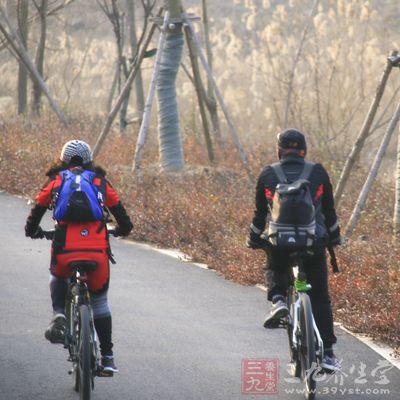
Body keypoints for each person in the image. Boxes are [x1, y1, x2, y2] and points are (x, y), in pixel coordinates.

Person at [25, 139, 133, 375]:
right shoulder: (99, 181)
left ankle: (60, 314)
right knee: (100, 302)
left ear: (62, 160)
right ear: (89, 160)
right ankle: (107, 357)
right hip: (97, 251)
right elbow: (123, 219)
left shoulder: (56, 180)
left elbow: (38, 208)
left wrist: (32, 231)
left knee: (57, 276)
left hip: (65, 249)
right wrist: (121, 230)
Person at [247, 129, 341, 372]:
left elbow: (260, 215)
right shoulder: (318, 172)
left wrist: (254, 239)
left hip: (280, 241)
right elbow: (329, 212)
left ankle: (278, 299)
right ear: (304, 150)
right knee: (319, 295)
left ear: (279, 151)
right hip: (313, 242)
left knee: (275, 265)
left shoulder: (269, 174)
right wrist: (335, 237)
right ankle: (328, 354)